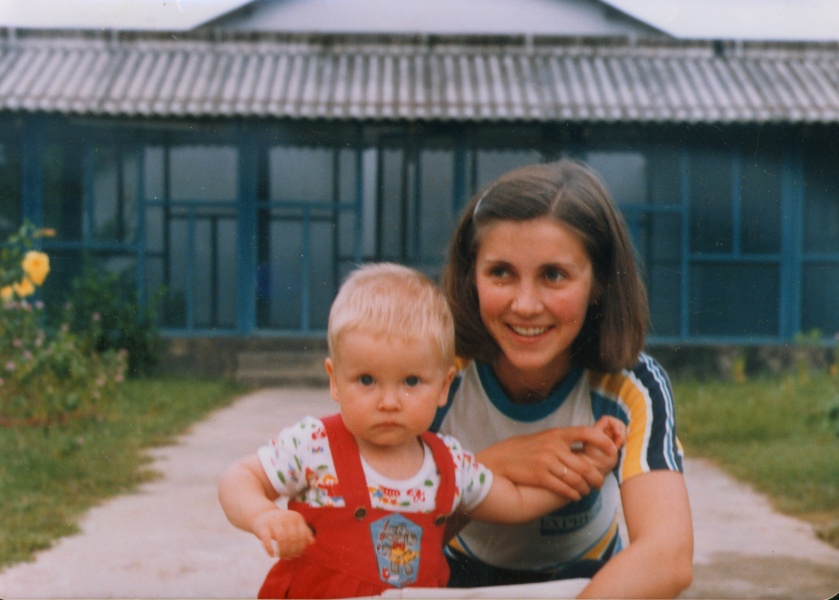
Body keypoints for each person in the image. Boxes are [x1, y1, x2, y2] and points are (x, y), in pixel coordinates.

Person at [217, 262, 627, 599]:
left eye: (411, 382)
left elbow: (516, 502)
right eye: (366, 380)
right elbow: (239, 478)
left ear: (444, 385)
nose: (389, 401)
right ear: (335, 380)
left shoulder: (449, 464)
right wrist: (263, 515)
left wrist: (587, 464)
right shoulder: (314, 446)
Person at [436, 159, 694, 598]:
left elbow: (667, 556)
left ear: (599, 283)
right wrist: (490, 468)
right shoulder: (437, 370)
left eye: (553, 275)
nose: (525, 304)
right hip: (456, 577)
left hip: (585, 581)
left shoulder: (629, 385)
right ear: (471, 275)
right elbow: (381, 536)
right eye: (501, 272)